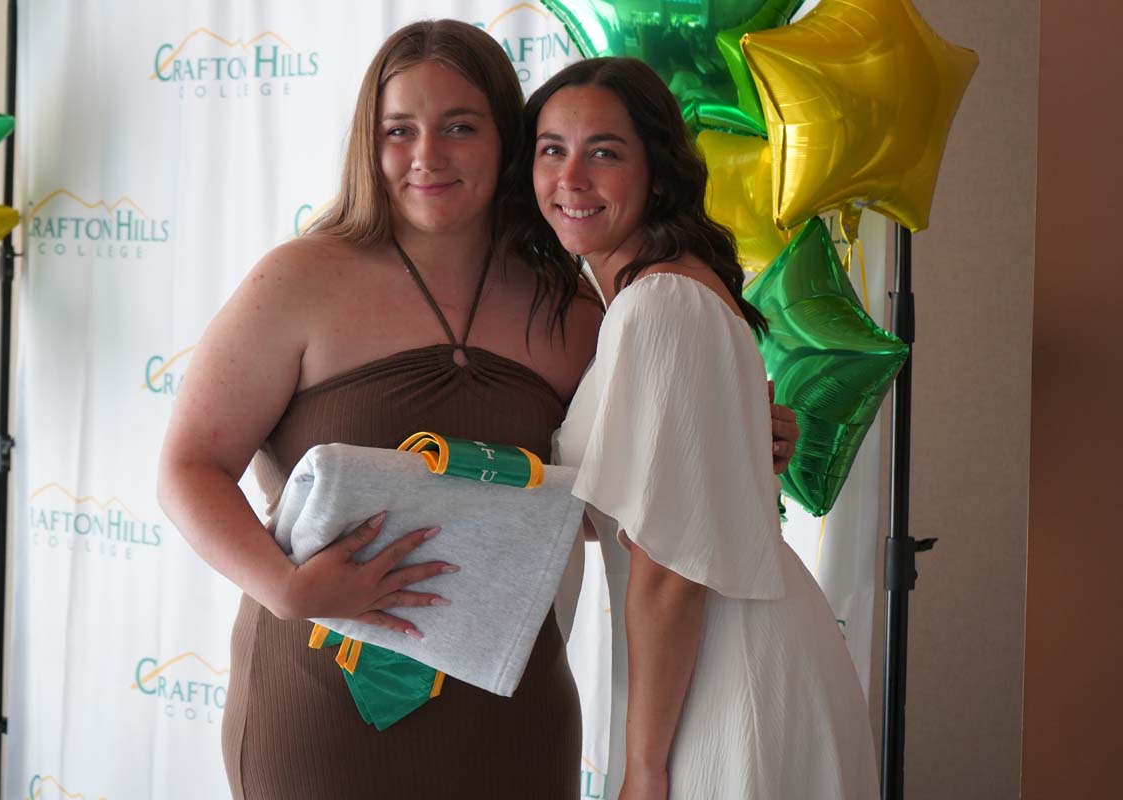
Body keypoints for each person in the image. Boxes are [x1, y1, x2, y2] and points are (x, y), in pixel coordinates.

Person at [158, 20, 798, 799]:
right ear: (370, 142)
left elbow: (620, 504)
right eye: (400, 130)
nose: (427, 156)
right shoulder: (296, 281)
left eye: (459, 127)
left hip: (514, 720)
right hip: (320, 718)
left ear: (508, 141)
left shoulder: (576, 313)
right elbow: (188, 467)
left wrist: (725, 440)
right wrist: (286, 588)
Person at [518, 58, 879, 800]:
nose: (571, 177)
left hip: (724, 676)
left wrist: (644, 768)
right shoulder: (649, 295)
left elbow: (671, 572)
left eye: (605, 151)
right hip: (714, 667)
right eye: (552, 148)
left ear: (658, 170)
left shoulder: (659, 308)